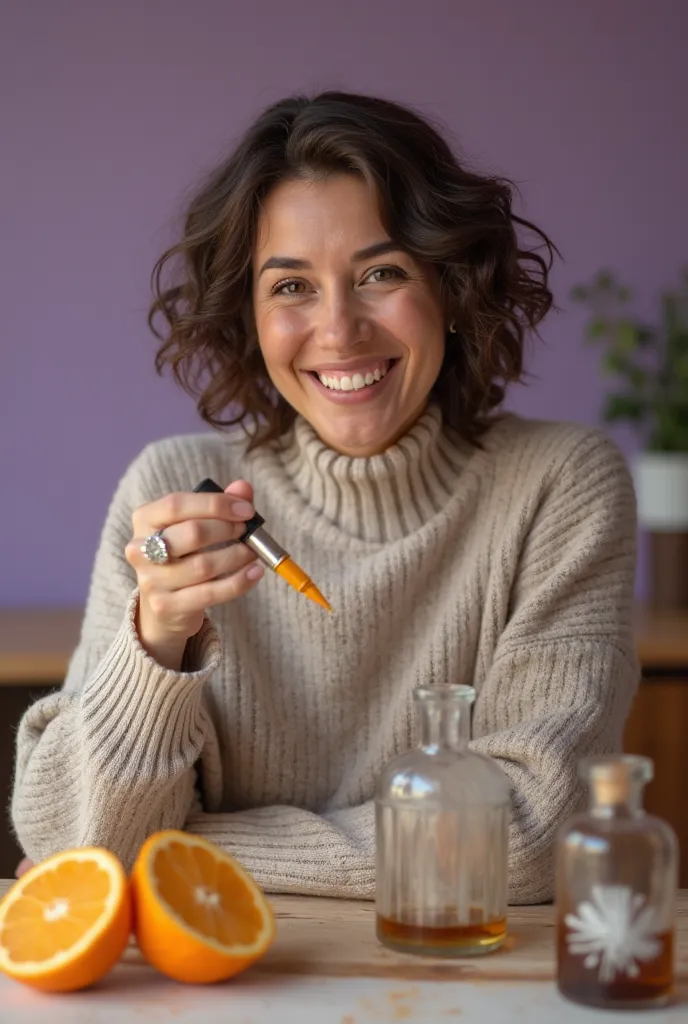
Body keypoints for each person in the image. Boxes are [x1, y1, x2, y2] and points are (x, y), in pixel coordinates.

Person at [12, 91, 638, 903]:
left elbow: (526, 838)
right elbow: (68, 837)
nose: (339, 331)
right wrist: (158, 641)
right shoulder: (171, 493)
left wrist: (170, 854)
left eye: (382, 273)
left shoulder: (560, 485)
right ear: (251, 315)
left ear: (450, 286)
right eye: (291, 287)